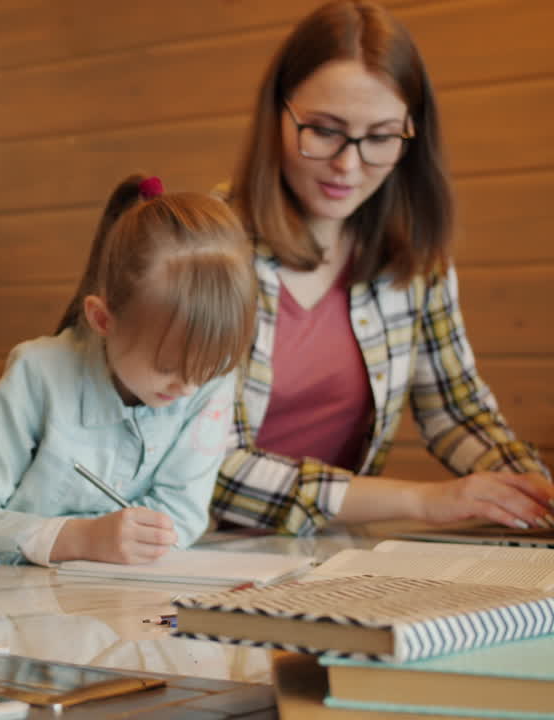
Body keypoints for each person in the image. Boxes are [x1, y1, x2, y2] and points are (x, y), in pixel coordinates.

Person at [212, 0, 554, 535]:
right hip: (189, 549)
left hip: (324, 554)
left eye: (379, 138)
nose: (348, 166)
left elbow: (455, 410)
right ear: (276, 112)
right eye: (324, 130)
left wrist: (532, 494)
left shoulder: (413, 255)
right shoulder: (205, 249)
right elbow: (214, 467)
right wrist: (420, 501)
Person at [0, 175, 257, 565]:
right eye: (167, 366)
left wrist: (121, 540)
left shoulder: (209, 384)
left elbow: (180, 519)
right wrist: (78, 539)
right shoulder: (38, 374)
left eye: (211, 366)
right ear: (102, 319)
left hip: (136, 609)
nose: (188, 386)